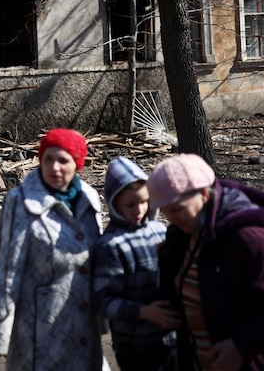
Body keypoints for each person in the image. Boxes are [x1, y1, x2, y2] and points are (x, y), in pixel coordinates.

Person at [148, 153, 264, 371]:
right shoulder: (188, 233)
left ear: (204, 194)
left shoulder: (249, 239)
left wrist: (240, 346)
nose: (172, 220)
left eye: (177, 209)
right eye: (166, 213)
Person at [0, 128, 109, 370]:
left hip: (83, 322)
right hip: (39, 327)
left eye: (63, 160)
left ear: (78, 164)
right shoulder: (21, 201)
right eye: (48, 159)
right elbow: (8, 269)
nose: (55, 167)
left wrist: (105, 317)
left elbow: (99, 259)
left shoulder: (89, 198)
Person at [92, 156, 179, 371]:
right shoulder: (110, 245)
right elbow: (103, 300)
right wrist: (144, 312)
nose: (139, 210)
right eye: (130, 205)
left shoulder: (160, 231)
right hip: (136, 346)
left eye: (143, 201)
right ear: (114, 203)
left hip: (173, 337)